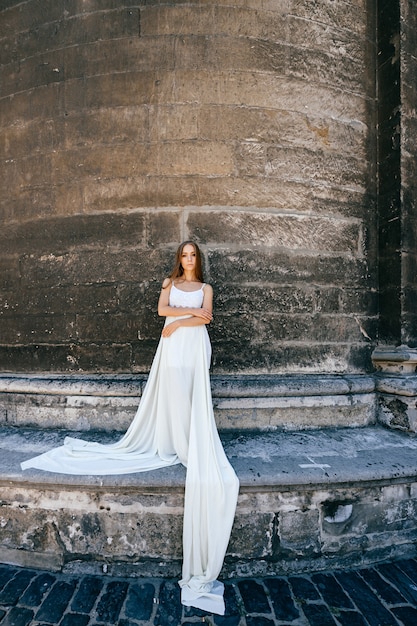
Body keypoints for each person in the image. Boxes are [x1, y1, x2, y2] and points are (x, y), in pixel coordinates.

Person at [21, 241, 240, 616]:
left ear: (198, 260)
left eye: (193, 255)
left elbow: (206, 317)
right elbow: (160, 309)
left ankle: (190, 443)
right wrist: (178, 316)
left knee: (192, 396)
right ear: (179, 259)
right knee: (173, 394)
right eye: (184, 254)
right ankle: (172, 440)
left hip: (191, 343)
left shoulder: (206, 289)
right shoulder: (168, 282)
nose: (188, 259)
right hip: (171, 349)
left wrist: (181, 320)